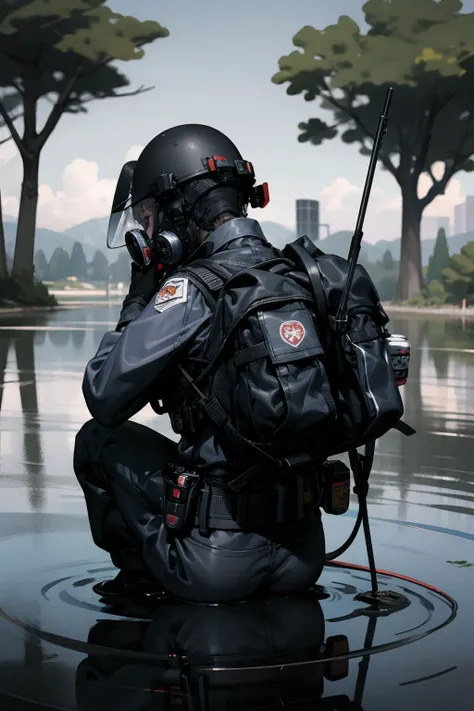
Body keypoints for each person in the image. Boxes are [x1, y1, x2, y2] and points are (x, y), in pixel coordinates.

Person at [74, 124, 326, 603]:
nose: (146, 233)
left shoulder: (190, 290)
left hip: (214, 566)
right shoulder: (304, 278)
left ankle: (138, 589)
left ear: (175, 212)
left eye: (148, 217)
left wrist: (139, 298)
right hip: (305, 555)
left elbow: (103, 396)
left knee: (96, 441)